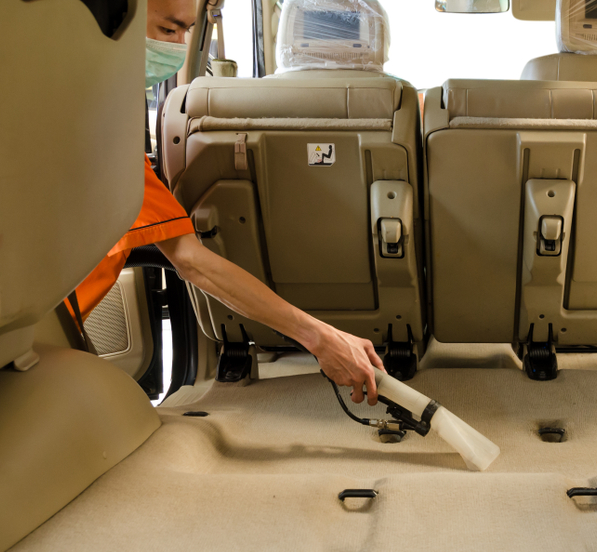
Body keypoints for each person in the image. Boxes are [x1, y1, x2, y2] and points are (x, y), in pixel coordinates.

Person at [70, 0, 385, 404]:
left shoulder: (82, 114)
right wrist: (319, 337)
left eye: (188, 31)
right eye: (169, 31)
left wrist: (321, 336)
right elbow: (192, 261)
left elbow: (190, 258)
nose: (181, 47)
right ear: (113, 22)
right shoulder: (96, 130)